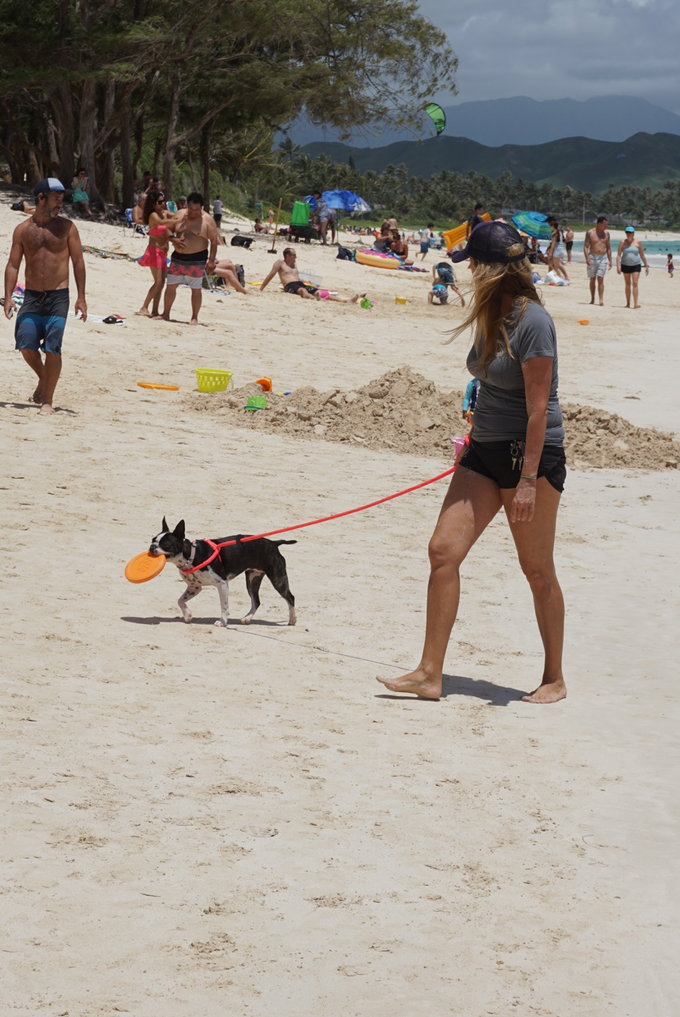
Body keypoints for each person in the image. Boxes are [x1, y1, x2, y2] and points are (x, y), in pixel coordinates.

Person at [377, 220, 566, 704]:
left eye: (474, 264)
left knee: (536, 568)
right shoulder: (489, 313)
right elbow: (489, 386)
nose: (468, 272)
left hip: (531, 458)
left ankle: (554, 678)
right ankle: (429, 673)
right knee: (443, 551)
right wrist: (474, 431)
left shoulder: (533, 322)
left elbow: (538, 408)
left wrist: (526, 480)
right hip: (484, 452)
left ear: (491, 268)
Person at [3, 177, 87, 414]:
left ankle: (47, 401)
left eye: (62, 199)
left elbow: (78, 262)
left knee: (52, 348)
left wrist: (81, 297)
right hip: (31, 296)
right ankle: (44, 379)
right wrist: (8, 297)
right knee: (26, 345)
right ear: (41, 198)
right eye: (56, 199)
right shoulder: (22, 230)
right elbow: (12, 265)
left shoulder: (68, 228)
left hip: (58, 297)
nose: (60, 203)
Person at [161, 192, 219, 324]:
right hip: (178, 257)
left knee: (196, 289)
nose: (194, 212)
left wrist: (211, 260)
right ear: (187, 206)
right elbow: (167, 229)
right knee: (171, 286)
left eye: (197, 210)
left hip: (197, 258)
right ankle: (166, 313)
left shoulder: (207, 220)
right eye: (191, 209)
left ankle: (194, 317)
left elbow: (214, 241)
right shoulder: (180, 215)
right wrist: (173, 240)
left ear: (202, 208)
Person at [136, 188, 183, 317]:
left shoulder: (164, 213)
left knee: (161, 283)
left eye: (164, 201)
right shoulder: (153, 215)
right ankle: (144, 306)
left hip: (163, 253)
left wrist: (184, 216)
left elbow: (174, 216)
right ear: (153, 204)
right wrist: (175, 221)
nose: (163, 204)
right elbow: (162, 223)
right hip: (154, 252)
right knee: (158, 282)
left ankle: (155, 310)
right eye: (160, 202)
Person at [260, 248, 363, 302]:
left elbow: (297, 277)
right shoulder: (280, 263)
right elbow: (270, 275)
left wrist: (310, 283)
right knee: (302, 291)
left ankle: (346, 301)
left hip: (299, 283)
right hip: (289, 285)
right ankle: (313, 298)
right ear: (287, 256)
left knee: (320, 292)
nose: (296, 257)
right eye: (294, 255)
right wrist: (261, 288)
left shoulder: (294, 263)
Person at [616, 226, 649, 308]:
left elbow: (642, 255)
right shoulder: (622, 242)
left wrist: (646, 265)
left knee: (635, 283)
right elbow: (618, 255)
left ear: (633, 233)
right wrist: (618, 266)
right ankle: (627, 303)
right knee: (627, 284)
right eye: (627, 232)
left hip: (636, 265)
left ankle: (636, 303)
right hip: (625, 265)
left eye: (630, 232)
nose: (629, 234)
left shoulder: (638, 242)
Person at [583, 215, 612, 305]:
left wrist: (610, 260)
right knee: (592, 279)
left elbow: (608, 248)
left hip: (603, 257)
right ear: (599, 224)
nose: (606, 226)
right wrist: (587, 258)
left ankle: (601, 299)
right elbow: (586, 246)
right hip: (592, 257)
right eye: (604, 224)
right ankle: (592, 298)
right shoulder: (590, 232)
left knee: (600, 278)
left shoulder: (607, 234)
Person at [546, 218, 569, 282]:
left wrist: (550, 253)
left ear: (553, 226)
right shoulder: (559, 232)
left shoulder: (555, 233)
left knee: (555, 266)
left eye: (550, 226)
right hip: (561, 250)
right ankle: (552, 276)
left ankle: (561, 278)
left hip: (557, 250)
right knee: (554, 264)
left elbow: (553, 244)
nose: (549, 227)